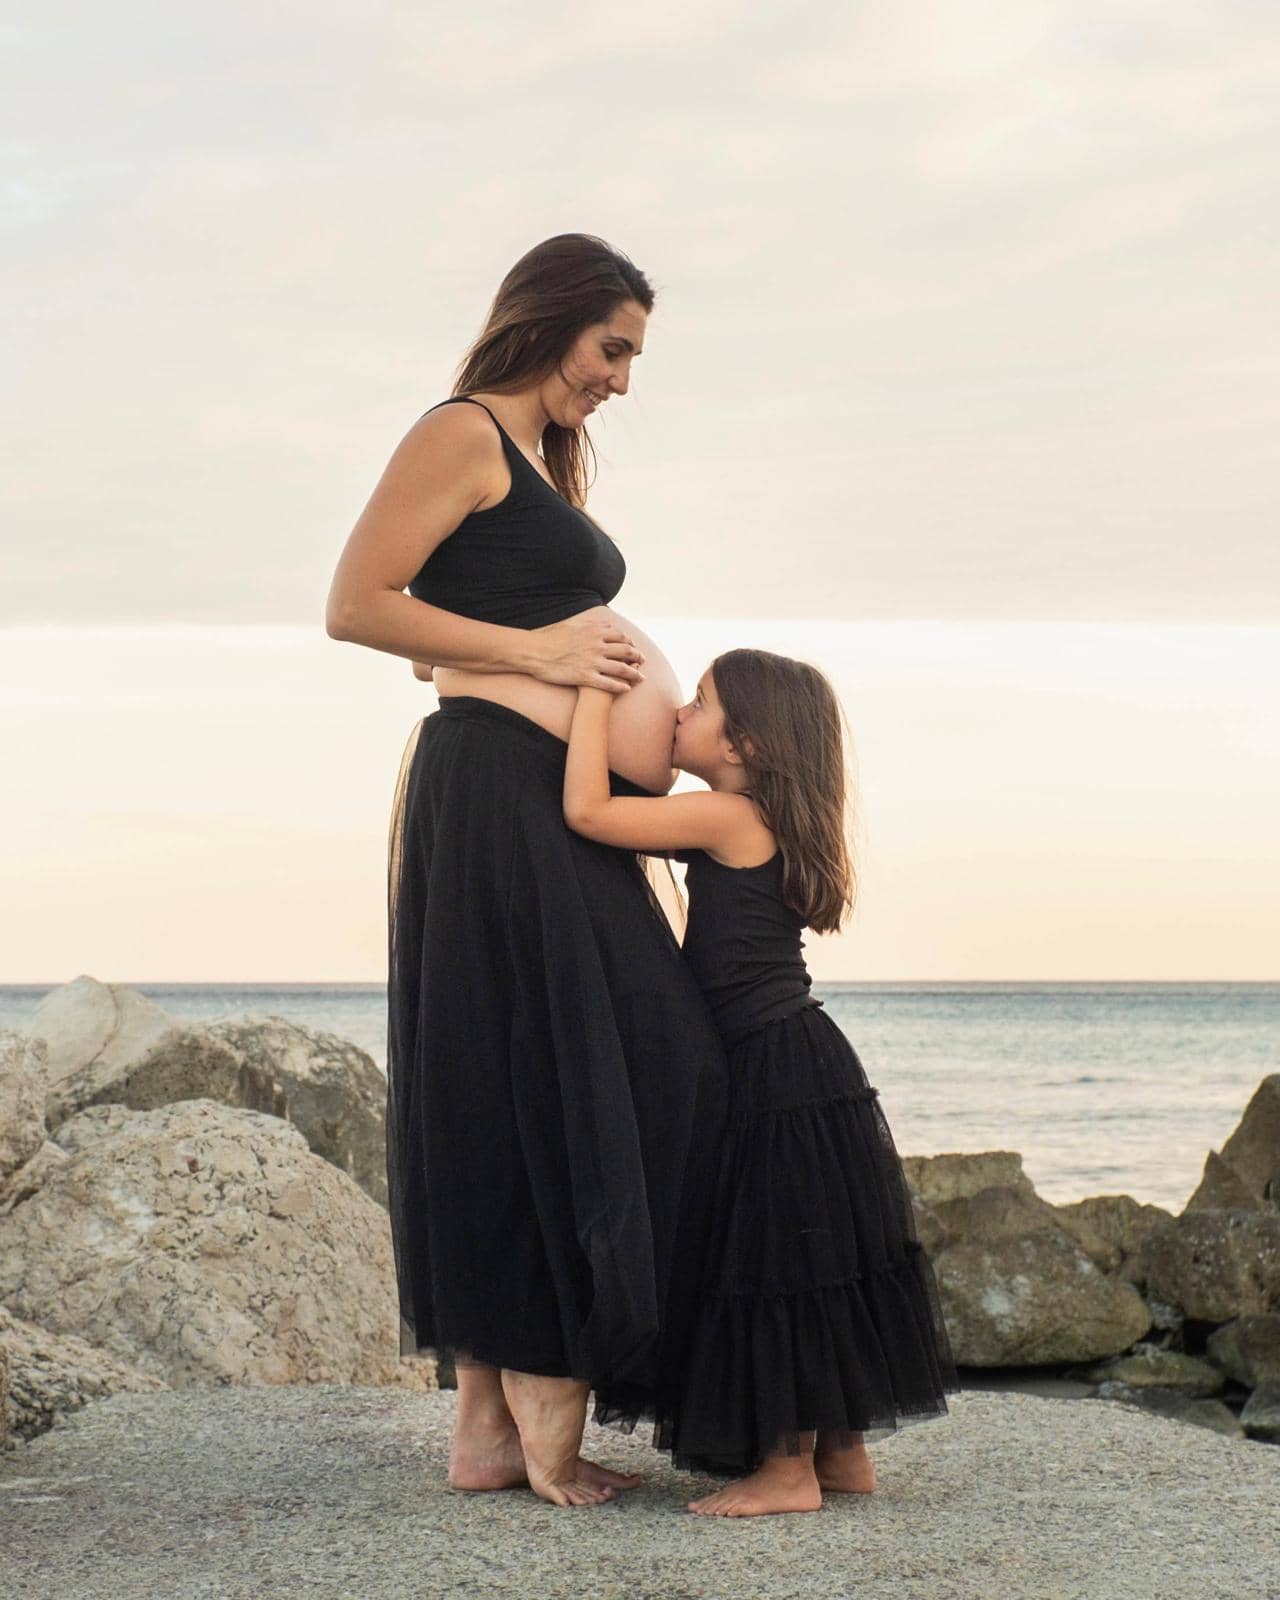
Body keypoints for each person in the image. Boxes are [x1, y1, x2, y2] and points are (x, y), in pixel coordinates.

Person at [326, 234, 728, 1507]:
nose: (620, 379)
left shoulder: (540, 458)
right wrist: (544, 658)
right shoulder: (459, 432)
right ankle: (526, 1405)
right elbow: (356, 602)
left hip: (541, 795)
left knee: (528, 1069)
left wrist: (503, 657)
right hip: (498, 798)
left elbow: (437, 631)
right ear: (551, 320)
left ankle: (490, 1428)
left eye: (631, 358)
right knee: (597, 1064)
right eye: (611, 347)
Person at [562, 648, 960, 1516]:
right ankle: (843, 1453)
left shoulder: (728, 814)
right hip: (804, 1056)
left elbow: (587, 811)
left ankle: (786, 1474)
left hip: (768, 1066)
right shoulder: (766, 815)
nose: (676, 714)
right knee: (824, 1259)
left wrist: (589, 690)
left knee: (775, 1263)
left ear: (740, 744)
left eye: (695, 703)